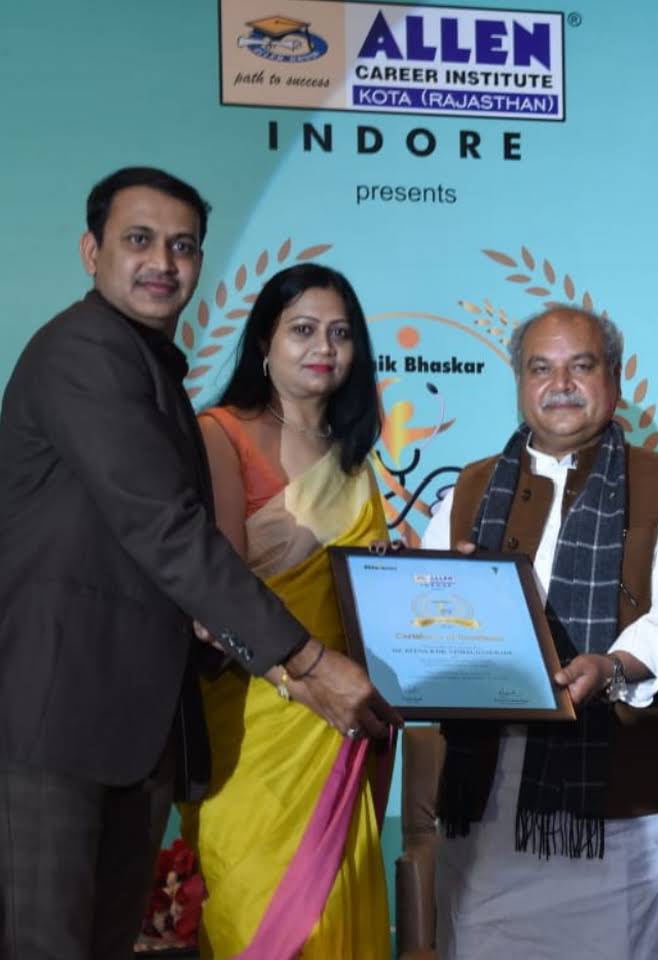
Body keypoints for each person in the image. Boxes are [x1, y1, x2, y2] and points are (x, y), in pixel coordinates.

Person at [0, 167, 399, 960]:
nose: (164, 262)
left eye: (183, 246)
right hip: (58, 719)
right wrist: (307, 662)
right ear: (91, 251)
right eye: (139, 240)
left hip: (136, 728)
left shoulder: (151, 367)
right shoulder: (83, 351)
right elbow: (169, 531)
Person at [421, 306, 658, 960]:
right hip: (487, 803)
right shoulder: (468, 489)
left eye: (581, 366)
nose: (561, 385)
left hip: (625, 800)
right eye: (541, 369)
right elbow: (427, 614)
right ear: (520, 382)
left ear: (615, 378)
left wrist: (614, 666)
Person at [180, 263, 392, 958]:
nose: (323, 347)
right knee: (257, 920)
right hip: (251, 724)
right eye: (302, 329)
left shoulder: (355, 462)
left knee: (333, 919)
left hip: (340, 728)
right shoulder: (220, 434)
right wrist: (300, 679)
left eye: (340, 333)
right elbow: (217, 593)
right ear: (263, 344)